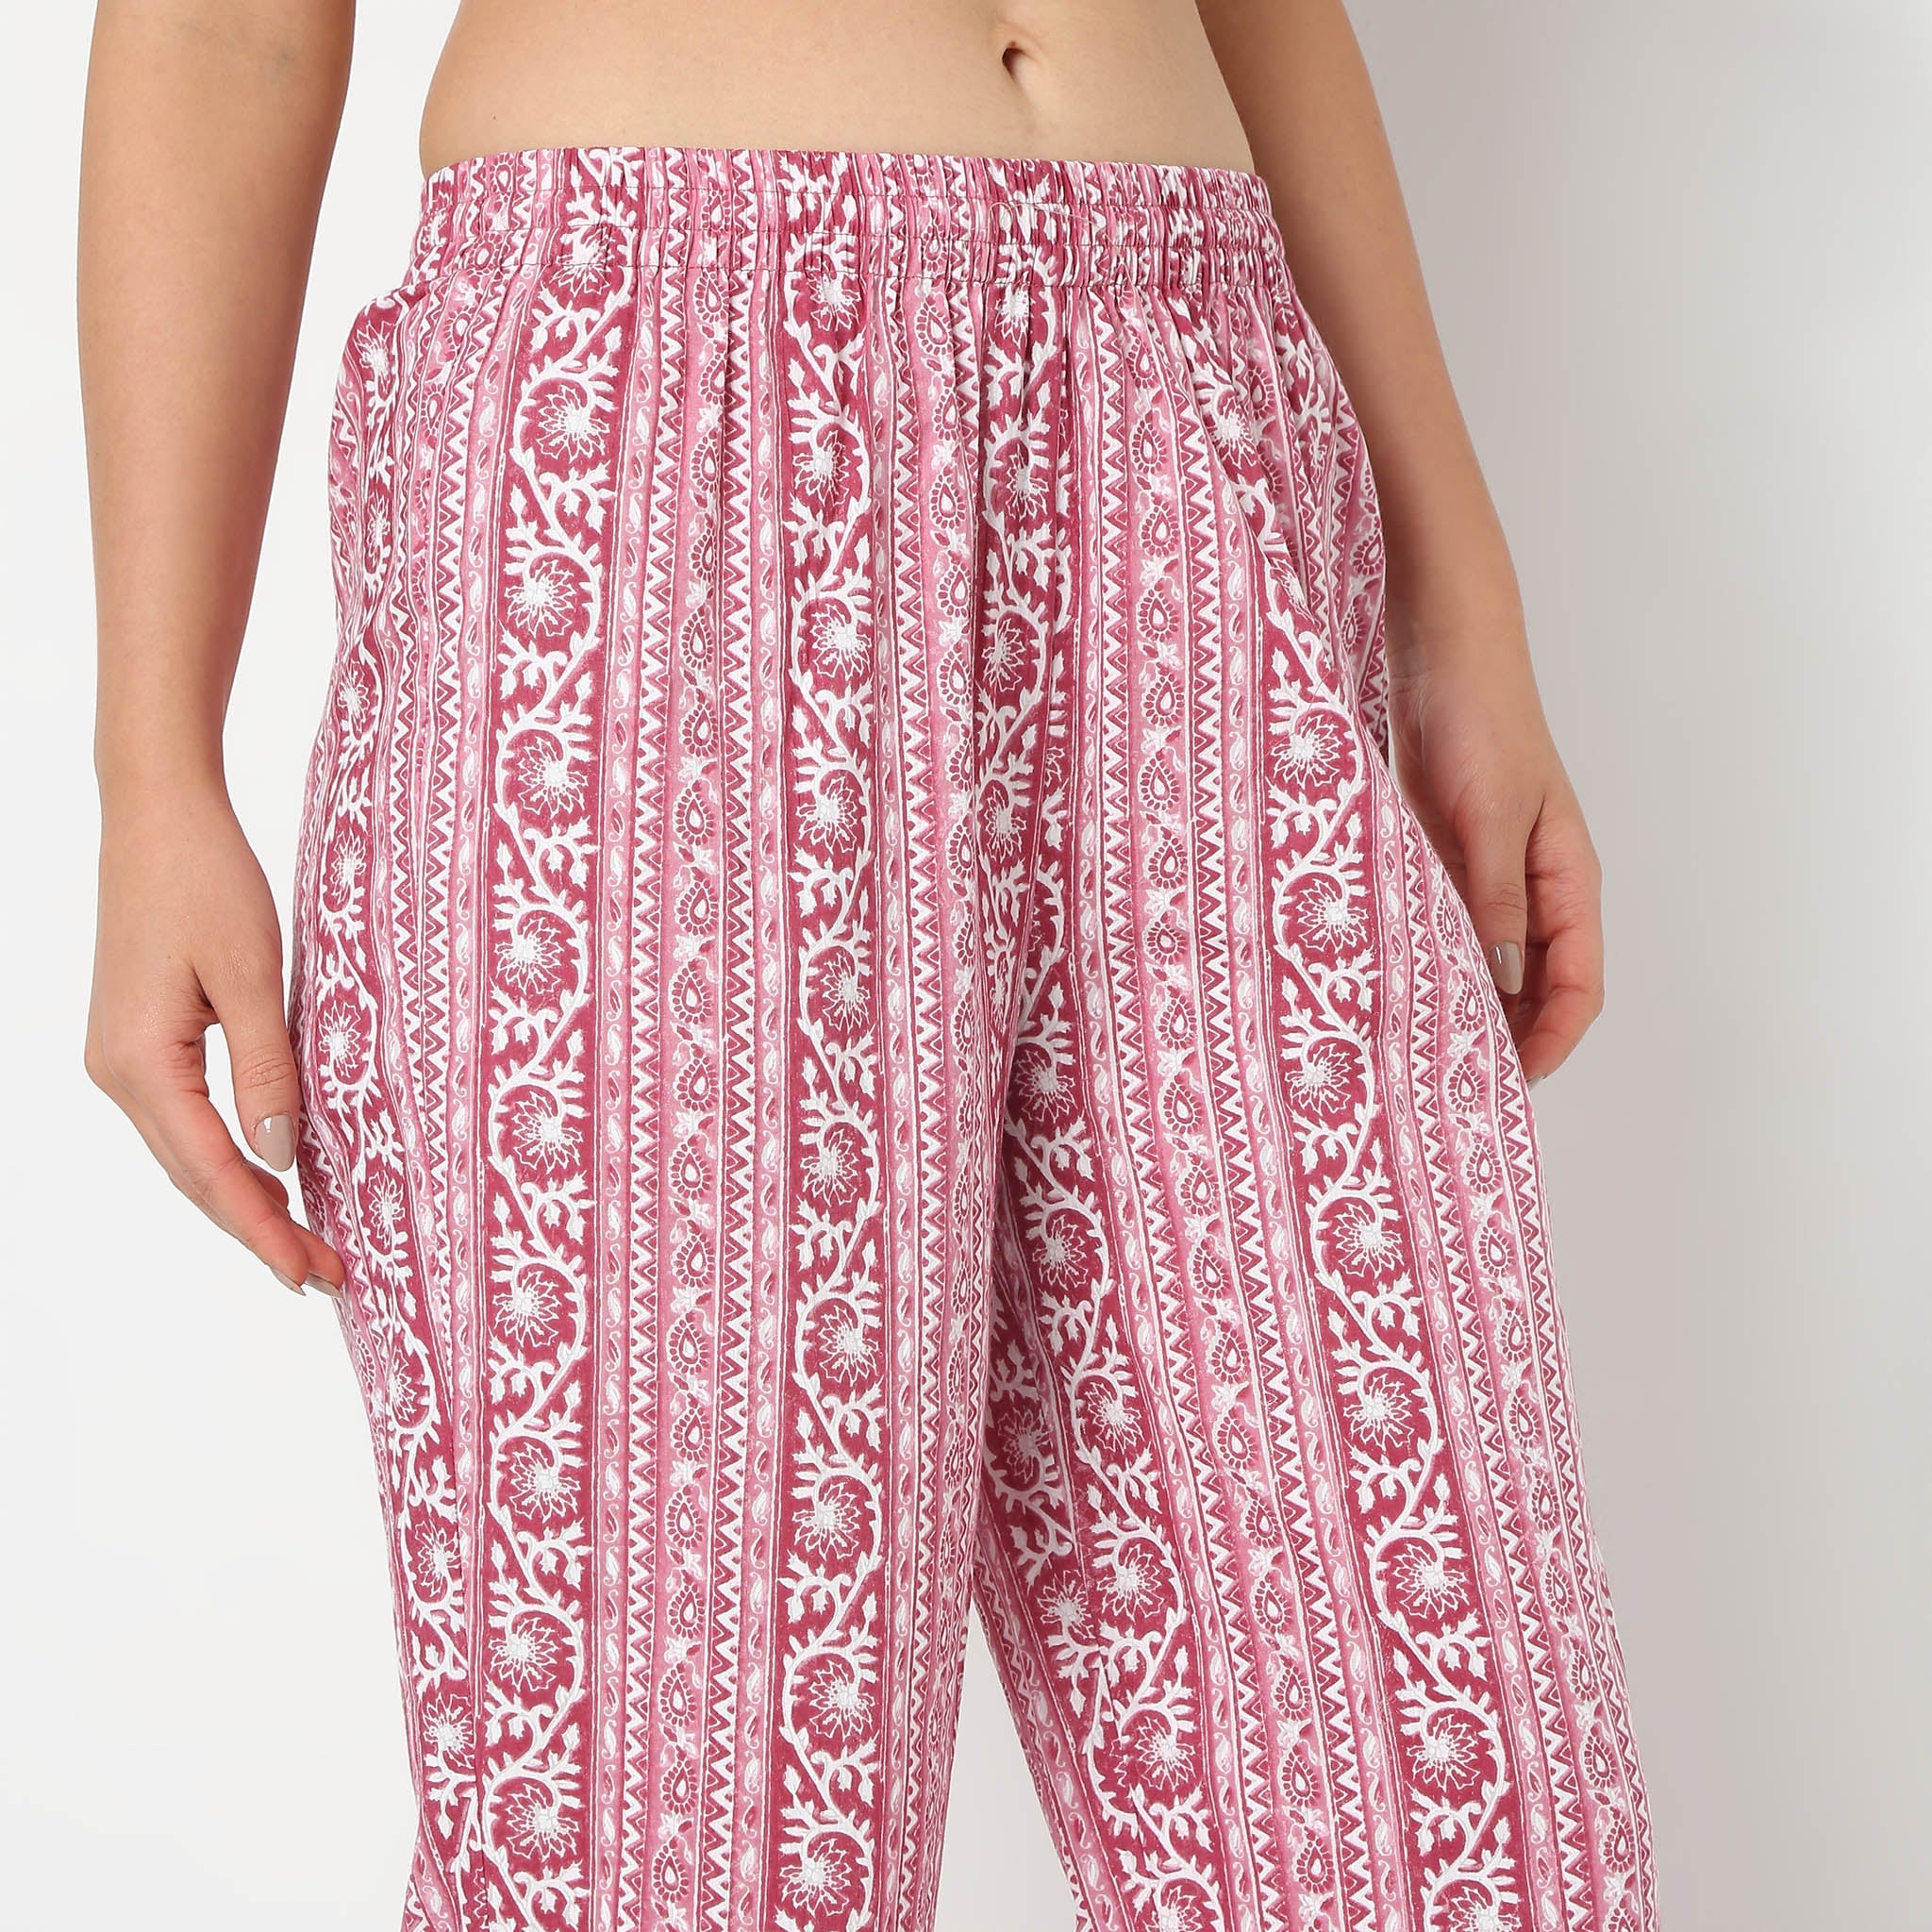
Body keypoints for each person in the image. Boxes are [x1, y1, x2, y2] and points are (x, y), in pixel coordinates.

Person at [78, 3, 1657, 1927]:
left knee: (1454, 1833)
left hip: (1195, 394)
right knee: (685, 1838)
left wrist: (1456, 596)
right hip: (656, 419)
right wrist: (152, 760)